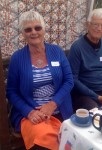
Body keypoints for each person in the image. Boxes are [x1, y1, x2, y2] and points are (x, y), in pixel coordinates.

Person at [6, 10, 74, 150]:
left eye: (37, 28)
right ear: (23, 34)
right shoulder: (17, 58)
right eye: (28, 29)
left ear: (44, 30)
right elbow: (11, 91)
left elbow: (69, 80)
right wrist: (29, 112)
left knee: (71, 139)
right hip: (31, 114)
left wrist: (52, 104)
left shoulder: (57, 51)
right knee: (44, 142)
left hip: (59, 109)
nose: (33, 32)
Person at [68, 8, 102, 111]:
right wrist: (97, 97)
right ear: (88, 24)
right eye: (95, 24)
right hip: (83, 95)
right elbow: (73, 79)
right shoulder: (77, 47)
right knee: (96, 112)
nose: (99, 28)